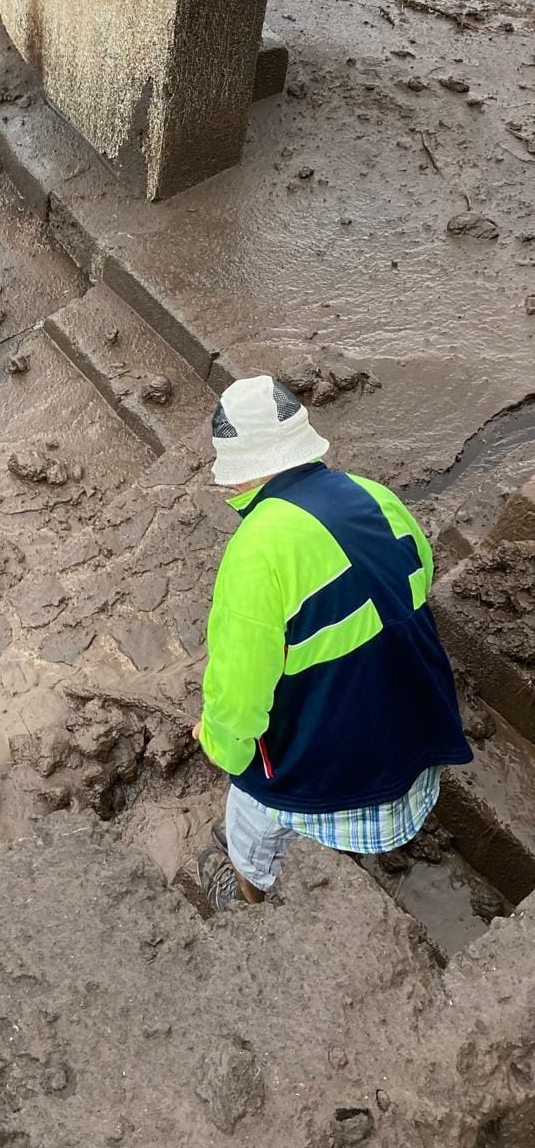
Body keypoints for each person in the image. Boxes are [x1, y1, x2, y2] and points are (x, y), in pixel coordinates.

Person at [193, 375, 471, 912]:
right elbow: (422, 577)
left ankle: (249, 894)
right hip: (417, 729)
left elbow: (237, 695)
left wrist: (218, 745)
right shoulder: (376, 494)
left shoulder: (255, 553)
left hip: (335, 768)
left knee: (248, 810)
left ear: (237, 476)